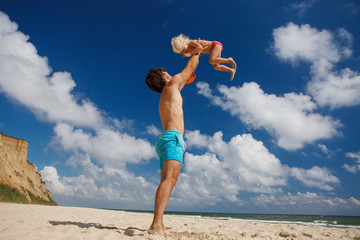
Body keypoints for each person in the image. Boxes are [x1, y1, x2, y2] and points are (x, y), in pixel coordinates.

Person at [145, 50, 202, 237]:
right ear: (163, 77)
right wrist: (197, 51)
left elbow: (186, 78)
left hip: (167, 140)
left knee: (167, 180)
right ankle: (156, 224)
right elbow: (190, 68)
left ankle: (158, 222)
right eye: (167, 73)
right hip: (172, 139)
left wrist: (193, 56)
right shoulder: (171, 85)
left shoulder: (169, 92)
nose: (170, 74)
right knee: (169, 180)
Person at [171, 33, 237, 81]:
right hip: (213, 50)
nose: (183, 52)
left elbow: (199, 47)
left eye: (182, 50)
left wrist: (190, 54)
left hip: (215, 45)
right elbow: (201, 50)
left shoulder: (191, 42)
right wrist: (198, 54)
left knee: (211, 60)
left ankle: (228, 60)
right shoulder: (192, 48)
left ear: (184, 44)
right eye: (181, 52)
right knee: (216, 66)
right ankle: (231, 70)